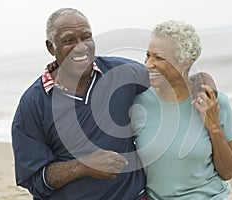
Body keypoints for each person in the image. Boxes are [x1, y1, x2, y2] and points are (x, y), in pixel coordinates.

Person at [11, 8, 149, 200]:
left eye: (86, 37)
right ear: (51, 47)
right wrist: (83, 166)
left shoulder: (123, 72)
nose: (81, 47)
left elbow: (170, 82)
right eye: (69, 40)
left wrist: (202, 79)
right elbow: (34, 180)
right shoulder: (33, 104)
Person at [130, 20, 232, 199]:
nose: (148, 64)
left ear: (185, 63)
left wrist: (213, 126)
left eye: (159, 58)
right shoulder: (137, 103)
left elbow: (228, 171)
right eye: (148, 55)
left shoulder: (214, 101)